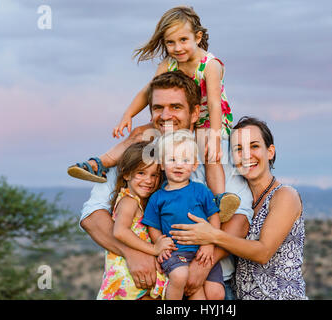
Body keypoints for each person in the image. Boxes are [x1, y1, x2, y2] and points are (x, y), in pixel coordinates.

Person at [79, 71, 254, 300]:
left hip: (210, 282)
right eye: (158, 108)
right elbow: (91, 216)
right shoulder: (137, 154)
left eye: (175, 107)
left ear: (194, 113)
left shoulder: (217, 150)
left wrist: (204, 264)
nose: (165, 115)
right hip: (146, 287)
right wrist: (133, 253)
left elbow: (240, 219)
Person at [67, 6, 239, 219]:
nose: (177, 47)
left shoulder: (210, 65)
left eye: (183, 40)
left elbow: (213, 104)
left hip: (210, 121)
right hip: (176, 121)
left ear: (198, 36)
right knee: (139, 133)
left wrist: (214, 136)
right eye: (170, 42)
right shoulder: (169, 63)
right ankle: (98, 164)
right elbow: (148, 91)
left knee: (210, 155)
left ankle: (219, 199)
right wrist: (127, 114)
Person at [170, 117, 308, 300]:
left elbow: (263, 252)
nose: (246, 155)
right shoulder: (244, 199)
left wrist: (212, 235)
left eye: (254, 146)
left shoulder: (284, 195)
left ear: (270, 152)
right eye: (238, 149)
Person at [143, 130, 225, 300]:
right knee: (182, 278)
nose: (178, 165)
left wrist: (209, 244)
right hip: (175, 252)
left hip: (203, 251)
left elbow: (214, 217)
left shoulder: (201, 191)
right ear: (162, 165)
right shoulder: (157, 197)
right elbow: (153, 225)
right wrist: (159, 242)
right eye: (172, 159)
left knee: (217, 294)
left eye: (185, 160)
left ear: (194, 165)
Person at [97, 141, 176, 300]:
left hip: (135, 276)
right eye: (141, 173)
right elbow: (120, 231)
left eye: (154, 175)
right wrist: (154, 249)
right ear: (126, 174)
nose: (148, 180)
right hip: (127, 276)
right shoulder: (129, 201)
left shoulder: (139, 201)